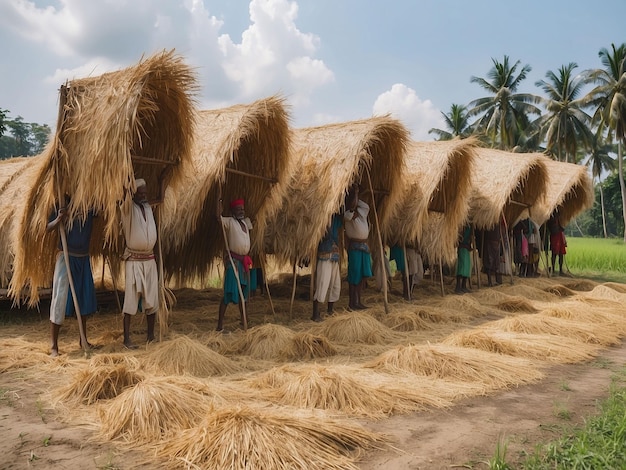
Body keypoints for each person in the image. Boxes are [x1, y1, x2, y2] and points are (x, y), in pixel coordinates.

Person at [47, 196, 97, 357]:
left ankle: (83, 339)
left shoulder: (89, 205)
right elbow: (47, 227)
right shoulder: (62, 202)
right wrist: (59, 218)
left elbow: (105, 208)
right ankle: (54, 345)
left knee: (84, 298)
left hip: (83, 258)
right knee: (60, 299)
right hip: (66, 257)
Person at [120, 178, 160, 349]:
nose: (144, 196)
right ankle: (127, 339)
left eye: (145, 193)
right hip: (134, 261)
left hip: (149, 260)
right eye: (140, 193)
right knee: (130, 300)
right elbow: (123, 196)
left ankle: (150, 336)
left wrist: (163, 179)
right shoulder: (128, 209)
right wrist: (127, 184)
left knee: (152, 299)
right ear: (134, 194)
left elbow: (161, 198)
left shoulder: (148, 208)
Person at [216, 194, 253, 331]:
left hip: (244, 263)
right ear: (232, 212)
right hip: (234, 262)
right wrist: (218, 200)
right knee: (228, 293)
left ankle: (244, 322)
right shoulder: (229, 222)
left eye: (242, 209)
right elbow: (217, 217)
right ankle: (219, 325)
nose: (241, 211)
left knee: (244, 294)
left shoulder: (246, 223)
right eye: (238, 209)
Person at [344, 184, 372, 310]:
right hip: (354, 247)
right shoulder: (347, 214)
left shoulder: (362, 212)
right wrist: (354, 196)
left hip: (364, 246)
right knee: (354, 275)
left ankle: (358, 300)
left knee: (363, 274)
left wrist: (355, 193)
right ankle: (352, 302)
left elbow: (363, 206)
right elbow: (352, 206)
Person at [311, 212, 343, 322]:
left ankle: (330, 310)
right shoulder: (321, 215)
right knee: (322, 283)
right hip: (325, 254)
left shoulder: (336, 218)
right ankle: (315, 314)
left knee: (335, 284)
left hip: (334, 255)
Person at [548, 210, 567, 276]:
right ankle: (553, 269)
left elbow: (561, 228)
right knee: (554, 253)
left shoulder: (558, 220)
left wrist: (561, 228)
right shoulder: (551, 220)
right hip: (555, 237)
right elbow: (552, 229)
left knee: (561, 254)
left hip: (560, 236)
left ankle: (560, 270)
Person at [455, 225, 472, 294]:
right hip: (462, 247)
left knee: (467, 268)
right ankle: (458, 287)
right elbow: (459, 238)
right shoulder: (463, 226)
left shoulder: (470, 226)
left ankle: (463, 286)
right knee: (461, 267)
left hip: (466, 248)